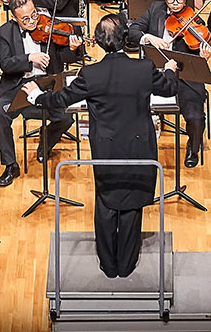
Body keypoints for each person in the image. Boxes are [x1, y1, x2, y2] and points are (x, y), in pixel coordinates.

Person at [23, 15, 179, 277]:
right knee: (132, 202)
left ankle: (108, 265)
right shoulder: (144, 68)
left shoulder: (90, 74)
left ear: (96, 42)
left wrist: (36, 96)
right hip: (139, 147)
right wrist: (171, 69)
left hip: (105, 149)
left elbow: (62, 98)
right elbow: (169, 87)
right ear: (125, 40)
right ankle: (127, 265)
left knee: (106, 201)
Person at [0, 0, 84, 187]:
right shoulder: (5, 32)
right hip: (19, 87)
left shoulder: (48, 25)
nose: (33, 21)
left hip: (47, 85)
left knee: (66, 118)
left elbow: (65, 56)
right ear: (14, 18)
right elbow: (5, 64)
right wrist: (28, 58)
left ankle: (45, 143)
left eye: (34, 14)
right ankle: (10, 164)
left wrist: (74, 49)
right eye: (25, 19)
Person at [130, 0, 211, 167]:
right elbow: (134, 31)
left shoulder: (193, 17)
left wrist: (204, 55)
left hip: (185, 76)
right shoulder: (155, 10)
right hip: (155, 73)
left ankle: (193, 148)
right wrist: (150, 38)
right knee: (131, 104)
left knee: (195, 116)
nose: (176, 3)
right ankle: (138, 147)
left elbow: (199, 45)